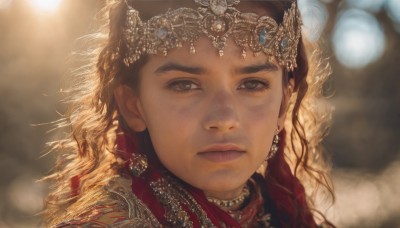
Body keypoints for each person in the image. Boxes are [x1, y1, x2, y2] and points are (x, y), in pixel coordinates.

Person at [43, 0, 334, 227]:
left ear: (283, 104)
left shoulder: (287, 217)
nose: (224, 119)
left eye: (252, 84)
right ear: (134, 105)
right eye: (184, 85)